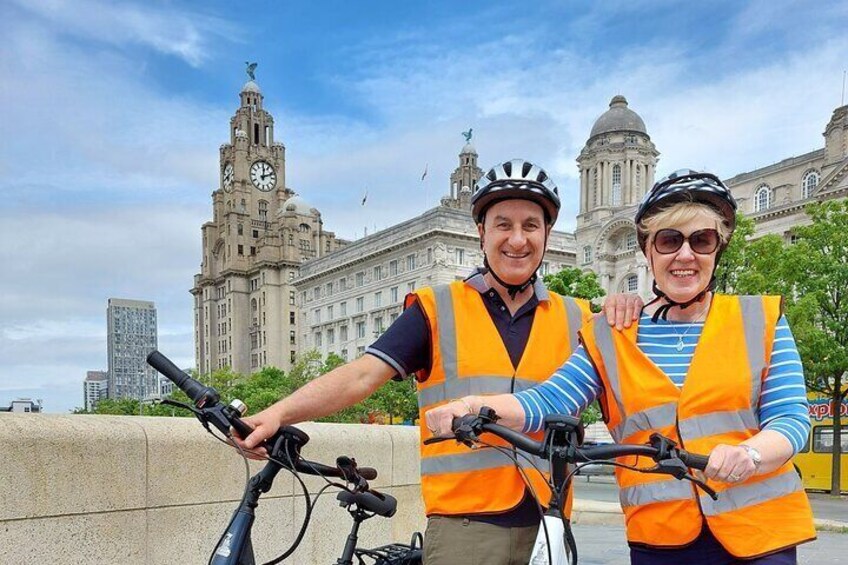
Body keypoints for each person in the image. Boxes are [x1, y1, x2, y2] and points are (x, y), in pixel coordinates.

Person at [236, 158, 643, 565]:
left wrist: (631, 303)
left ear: (547, 234)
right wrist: (276, 414)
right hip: (464, 527)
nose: (517, 239)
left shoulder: (580, 317)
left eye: (530, 226)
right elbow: (361, 376)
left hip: (550, 522)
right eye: (503, 224)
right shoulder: (436, 309)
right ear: (481, 232)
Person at [427, 169, 816, 565]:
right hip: (660, 539)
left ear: (718, 249)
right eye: (669, 241)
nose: (685, 255)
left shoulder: (760, 319)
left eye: (701, 240)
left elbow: (790, 420)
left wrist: (749, 454)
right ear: (648, 252)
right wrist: (472, 405)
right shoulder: (612, 335)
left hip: (760, 537)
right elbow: (549, 400)